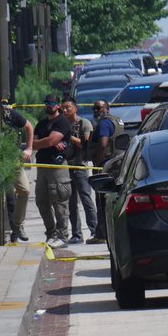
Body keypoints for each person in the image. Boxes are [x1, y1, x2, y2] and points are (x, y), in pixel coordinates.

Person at [0, 94, 33, 242]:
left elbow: (28, 126)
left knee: (24, 190)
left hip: (12, 159)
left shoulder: (10, 114)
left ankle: (17, 225)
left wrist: (29, 149)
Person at [31, 95, 73, 249]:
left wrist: (42, 142)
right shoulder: (41, 124)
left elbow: (51, 140)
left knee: (59, 201)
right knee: (41, 201)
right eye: (47, 103)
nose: (49, 105)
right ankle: (51, 233)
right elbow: (33, 144)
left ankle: (62, 236)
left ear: (58, 105)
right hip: (42, 166)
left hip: (57, 166)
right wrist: (42, 143)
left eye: (52, 103)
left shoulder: (62, 122)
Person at [61, 100, 98, 244]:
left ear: (75, 109)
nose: (65, 110)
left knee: (86, 199)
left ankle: (94, 230)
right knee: (71, 202)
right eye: (63, 108)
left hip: (80, 166)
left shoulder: (84, 123)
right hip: (66, 166)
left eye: (68, 108)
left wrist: (68, 136)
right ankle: (76, 234)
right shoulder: (62, 124)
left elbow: (85, 143)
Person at [87, 99, 118, 244]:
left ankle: (102, 235)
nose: (96, 111)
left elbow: (104, 143)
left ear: (107, 109)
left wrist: (98, 162)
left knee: (102, 201)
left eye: (99, 108)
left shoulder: (104, 123)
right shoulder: (117, 121)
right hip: (116, 165)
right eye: (94, 108)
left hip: (105, 167)